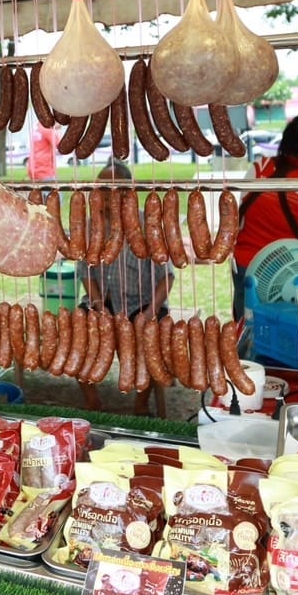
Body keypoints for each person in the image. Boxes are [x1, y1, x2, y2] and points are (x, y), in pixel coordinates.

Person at [77, 159, 174, 416]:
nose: (105, 199)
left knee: (151, 341)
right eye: (100, 192)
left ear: (128, 195)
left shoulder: (148, 225)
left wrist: (150, 313)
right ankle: (91, 402)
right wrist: (98, 306)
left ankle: (141, 406)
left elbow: (167, 278)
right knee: (77, 335)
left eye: (112, 191)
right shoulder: (90, 227)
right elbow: (85, 274)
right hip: (102, 301)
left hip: (142, 303)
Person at [232, 116, 298, 351]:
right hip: (293, 279)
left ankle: (246, 371)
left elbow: (238, 216)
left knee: (247, 332)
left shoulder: (259, 167)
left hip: (247, 269)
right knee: (289, 342)